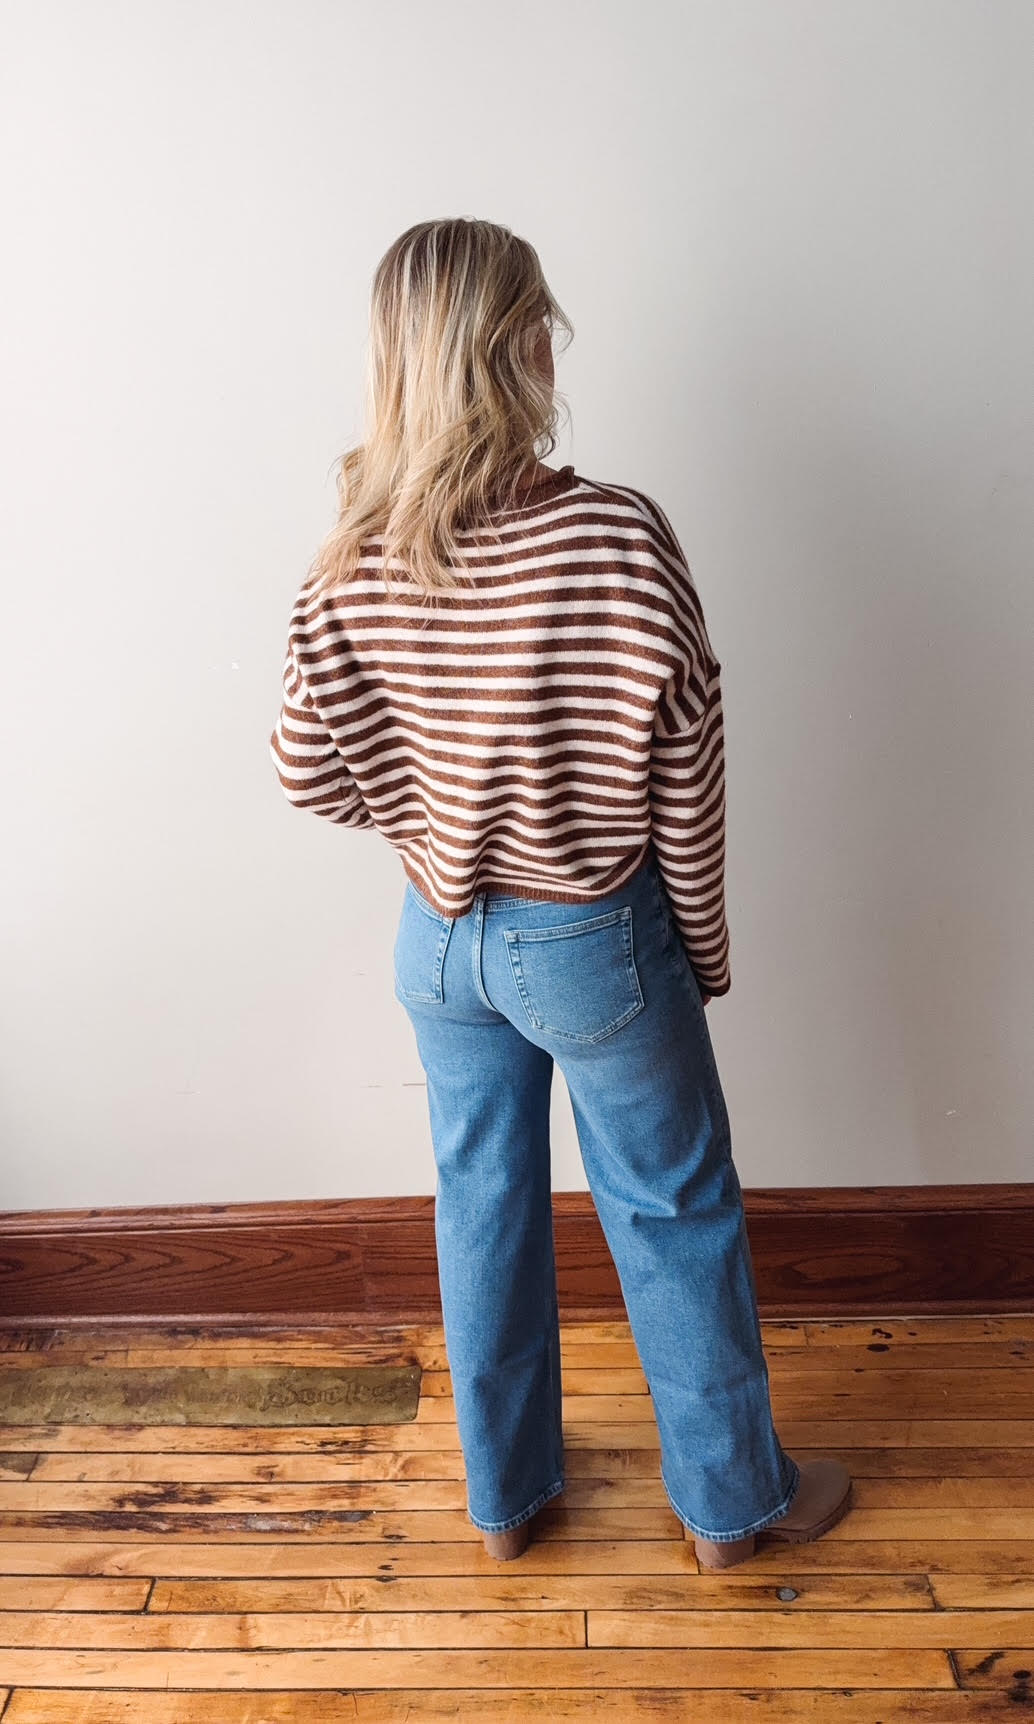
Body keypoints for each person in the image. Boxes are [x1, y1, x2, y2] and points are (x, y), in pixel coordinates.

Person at [269, 217, 851, 1570]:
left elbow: (304, 768)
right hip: (591, 937)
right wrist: (696, 946)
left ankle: (509, 1501)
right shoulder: (613, 537)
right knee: (670, 1208)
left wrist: (421, 817)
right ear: (520, 347)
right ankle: (729, 1506)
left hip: (437, 941)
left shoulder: (350, 555)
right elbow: (685, 767)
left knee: (480, 1204)